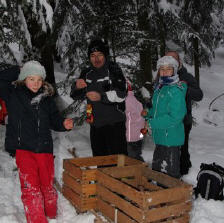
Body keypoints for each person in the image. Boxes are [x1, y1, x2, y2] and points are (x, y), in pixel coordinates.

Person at [0, 60, 73, 223]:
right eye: (31, 78)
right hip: (23, 148)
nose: (36, 83)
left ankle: (52, 214)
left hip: (44, 148)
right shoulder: (13, 94)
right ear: (24, 78)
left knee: (47, 185)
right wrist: (17, 69)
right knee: (30, 188)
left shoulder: (46, 98)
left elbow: (54, 118)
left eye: (39, 79)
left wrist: (63, 124)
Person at [70, 38, 127, 156]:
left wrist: (101, 97)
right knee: (100, 162)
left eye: (100, 55)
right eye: (93, 55)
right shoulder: (86, 73)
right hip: (95, 126)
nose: (96, 59)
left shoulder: (113, 69)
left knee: (118, 165)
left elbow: (121, 94)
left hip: (114, 125)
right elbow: (75, 96)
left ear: (105, 55)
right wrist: (76, 87)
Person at [144, 56, 187, 178]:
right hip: (160, 138)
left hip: (171, 139)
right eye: (162, 69)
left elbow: (175, 118)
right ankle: (158, 194)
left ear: (174, 70)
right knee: (157, 170)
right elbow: (156, 110)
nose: (164, 72)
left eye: (168, 69)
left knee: (170, 174)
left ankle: (172, 195)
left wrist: (152, 123)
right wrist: (148, 114)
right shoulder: (160, 88)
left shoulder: (176, 91)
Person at [165, 51, 203, 175]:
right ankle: (167, 170)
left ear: (179, 62)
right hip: (166, 120)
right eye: (168, 58)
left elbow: (199, 95)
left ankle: (183, 172)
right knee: (166, 148)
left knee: (181, 148)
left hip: (183, 121)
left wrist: (184, 88)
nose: (171, 61)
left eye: (174, 59)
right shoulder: (163, 75)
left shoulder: (186, 77)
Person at [125, 83, 145, 161]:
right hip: (138, 135)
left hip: (130, 136)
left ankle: (138, 170)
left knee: (131, 158)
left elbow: (127, 118)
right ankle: (141, 168)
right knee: (136, 155)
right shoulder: (134, 99)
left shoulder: (126, 100)